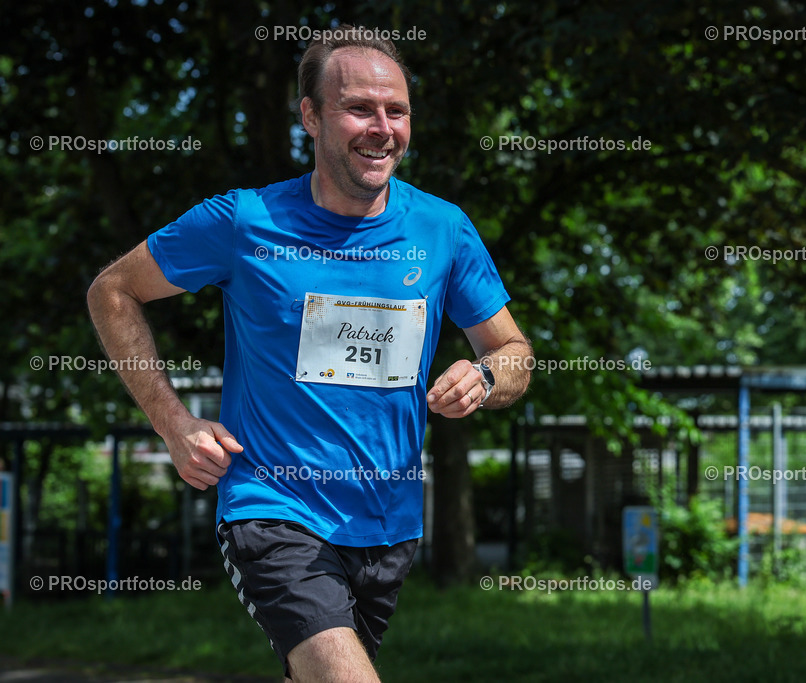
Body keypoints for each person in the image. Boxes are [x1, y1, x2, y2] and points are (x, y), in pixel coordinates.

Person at [87, 27, 533, 683]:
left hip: (388, 525)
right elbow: (114, 290)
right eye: (359, 108)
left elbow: (514, 351)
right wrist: (173, 423)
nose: (382, 128)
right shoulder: (244, 222)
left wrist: (487, 374)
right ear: (311, 116)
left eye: (397, 110)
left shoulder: (442, 229)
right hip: (273, 511)